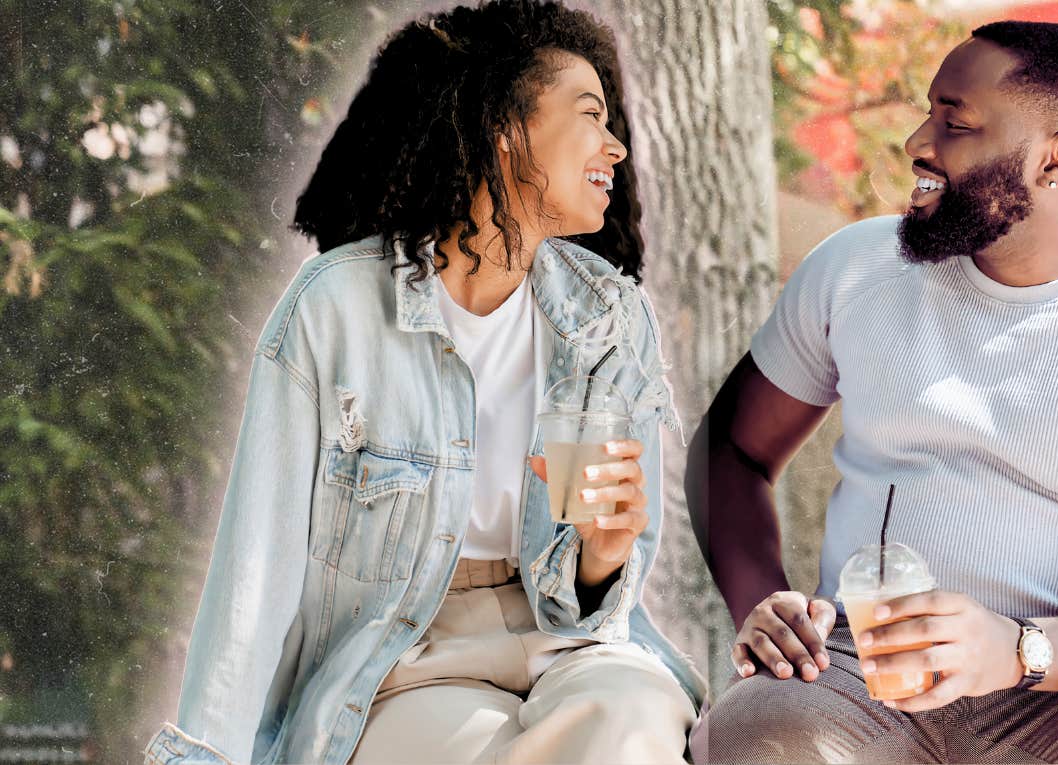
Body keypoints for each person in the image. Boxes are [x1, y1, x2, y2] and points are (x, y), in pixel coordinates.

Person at [686, 20, 1058, 765]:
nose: (918, 141)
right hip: (857, 669)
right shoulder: (855, 270)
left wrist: (1022, 649)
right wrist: (761, 598)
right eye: (928, 113)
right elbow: (732, 448)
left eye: (955, 124)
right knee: (750, 736)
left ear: (1057, 159)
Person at [143, 3, 702, 763]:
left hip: (567, 640)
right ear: (505, 128)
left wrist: (604, 551)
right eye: (590, 115)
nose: (617, 145)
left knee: (633, 716)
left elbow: (594, 594)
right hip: (408, 652)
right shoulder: (336, 309)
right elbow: (257, 565)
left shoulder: (609, 318)